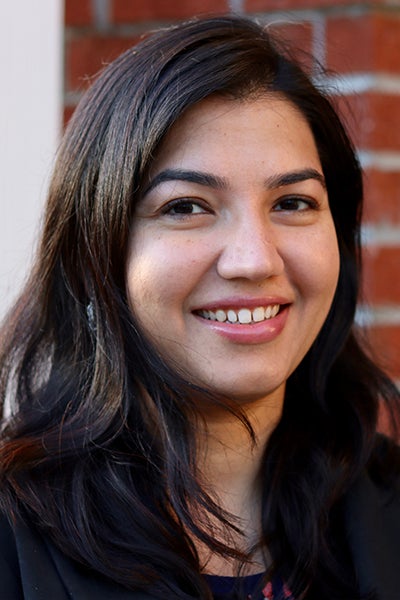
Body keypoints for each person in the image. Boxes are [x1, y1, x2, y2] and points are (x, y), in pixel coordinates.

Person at [0, 14, 399, 600]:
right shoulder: (13, 539)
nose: (254, 260)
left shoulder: (386, 511)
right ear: (95, 250)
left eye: (292, 201)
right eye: (187, 207)